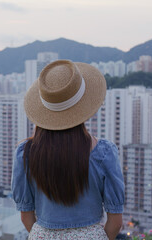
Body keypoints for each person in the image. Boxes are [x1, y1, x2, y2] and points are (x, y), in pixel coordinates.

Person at [11, 60, 125, 239]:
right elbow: (116, 222)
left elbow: (26, 217)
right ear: (84, 105)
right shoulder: (104, 152)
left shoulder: (25, 154)